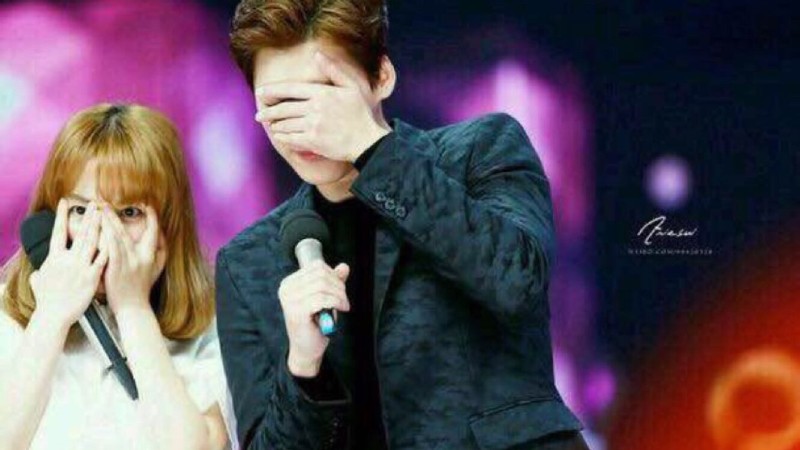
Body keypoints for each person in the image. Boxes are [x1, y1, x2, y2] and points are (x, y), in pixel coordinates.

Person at [216, 1, 588, 449]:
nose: (307, 124)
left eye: (325, 94)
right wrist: (303, 369)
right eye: (279, 106)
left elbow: (516, 281)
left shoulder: (481, 150)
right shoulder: (246, 263)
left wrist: (370, 147)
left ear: (381, 77)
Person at [0, 104, 235, 450]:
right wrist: (50, 317)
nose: (101, 235)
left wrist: (133, 308)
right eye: (80, 210)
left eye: (129, 212)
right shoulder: (6, 314)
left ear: (169, 226)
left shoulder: (212, 329)